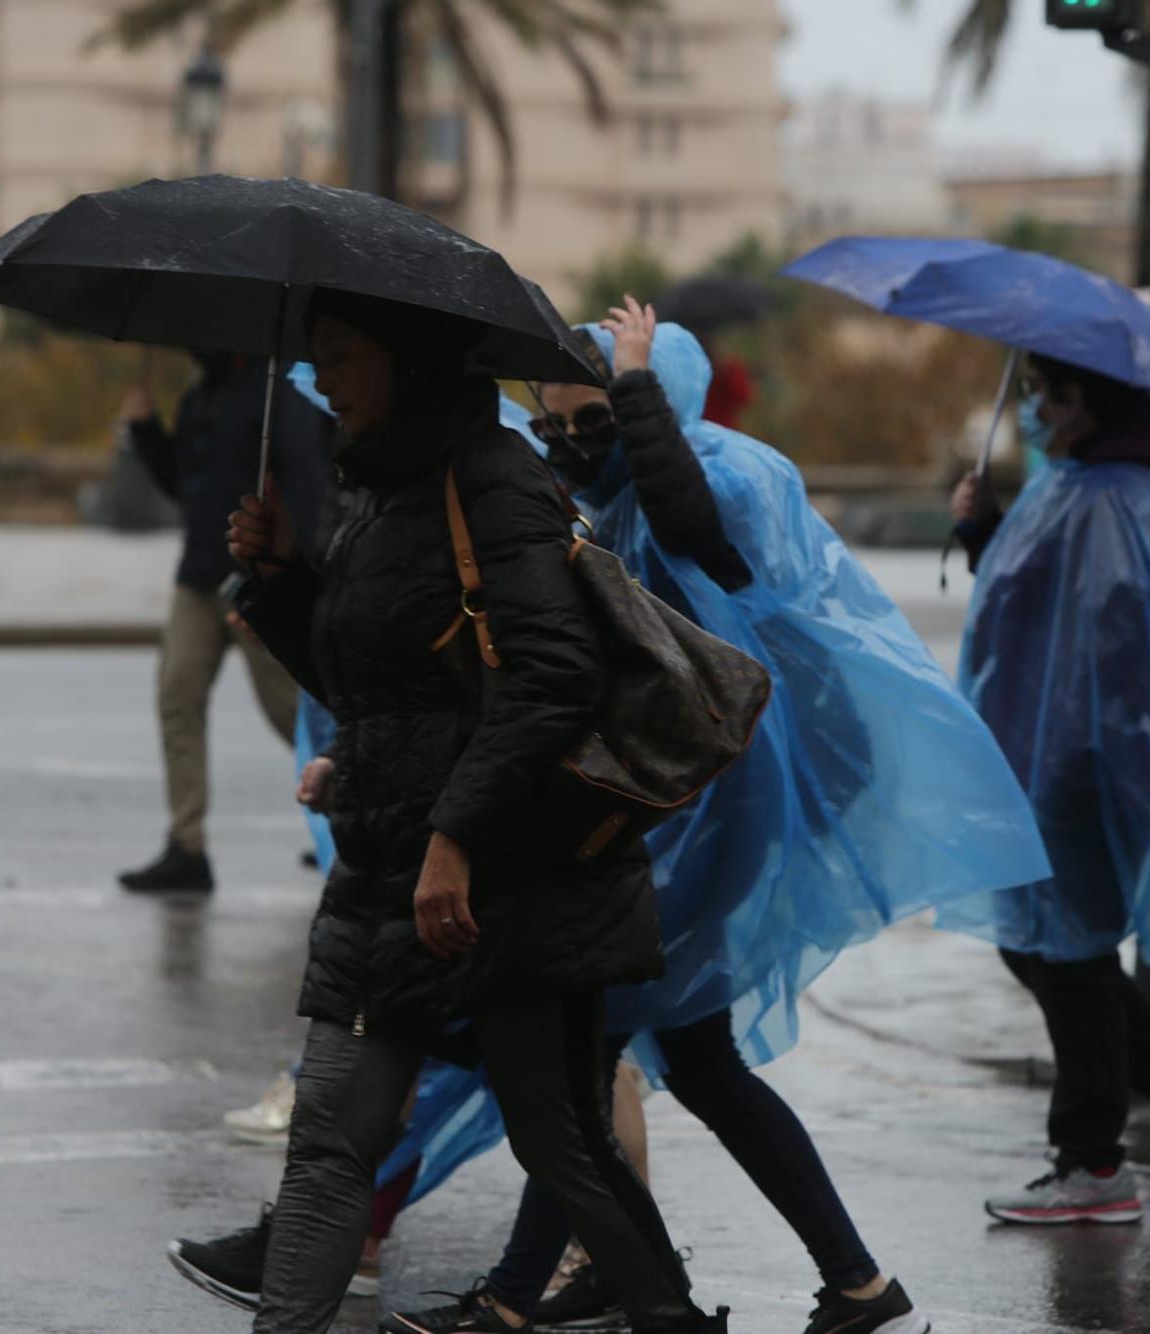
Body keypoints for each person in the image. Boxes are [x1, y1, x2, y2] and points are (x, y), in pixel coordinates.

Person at [371, 300, 1046, 1334]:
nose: (572, 447)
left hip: (714, 824)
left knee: (587, 1061)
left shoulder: (723, 479)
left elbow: (694, 526)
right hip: (675, 820)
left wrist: (633, 381)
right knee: (685, 1060)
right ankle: (849, 1280)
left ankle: (526, 1298)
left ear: (658, 407)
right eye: (552, 427)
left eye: (594, 423)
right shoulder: (611, 505)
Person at [167, 291, 725, 1334]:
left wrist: (456, 835)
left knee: (554, 1136)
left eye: (338, 356)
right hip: (384, 867)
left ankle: (666, 1317)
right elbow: (374, 681)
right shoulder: (370, 487)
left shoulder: (496, 479)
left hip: (508, 880)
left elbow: (553, 674)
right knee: (331, 1134)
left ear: (406, 362)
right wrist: (285, 580)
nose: (320, 379)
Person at [946, 354, 1150, 1225]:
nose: (1032, 409)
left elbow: (1116, 642)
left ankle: (1095, 1163)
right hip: (1044, 750)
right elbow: (1033, 603)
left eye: (1045, 394)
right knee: (1044, 945)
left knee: (1068, 951)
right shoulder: (1079, 484)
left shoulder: (1114, 498)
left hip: (1077, 759)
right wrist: (984, 532)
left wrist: (1115, 763)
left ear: (1083, 401)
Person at [117, 349, 331, 893]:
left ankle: (350, 811)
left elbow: (303, 487)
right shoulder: (198, 396)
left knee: (290, 711)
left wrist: (281, 581)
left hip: (254, 581)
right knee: (177, 697)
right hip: (197, 579)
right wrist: (146, 431)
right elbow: (182, 486)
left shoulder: (275, 394)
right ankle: (186, 846)